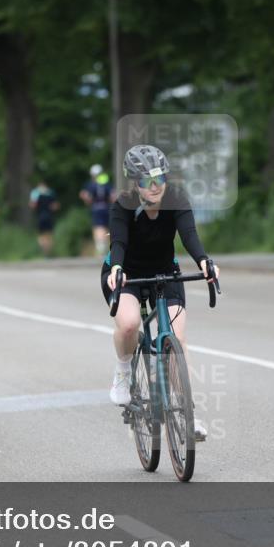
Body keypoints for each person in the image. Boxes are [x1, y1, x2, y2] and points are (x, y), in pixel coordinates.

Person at [101, 145, 220, 442]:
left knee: (177, 340)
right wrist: (117, 267)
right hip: (125, 273)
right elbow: (119, 243)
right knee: (129, 324)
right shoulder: (123, 205)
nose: (155, 186)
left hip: (164, 270)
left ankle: (186, 414)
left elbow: (189, 234)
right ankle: (123, 373)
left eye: (160, 178)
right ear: (134, 183)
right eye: (146, 181)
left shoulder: (176, 198)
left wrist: (204, 261)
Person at [81, 164, 114, 256]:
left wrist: (86, 199)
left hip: (96, 208)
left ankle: (100, 247)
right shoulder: (106, 182)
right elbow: (112, 196)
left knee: (98, 228)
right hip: (106, 208)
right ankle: (106, 248)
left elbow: (87, 197)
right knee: (106, 228)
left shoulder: (91, 184)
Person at [29, 181, 60, 257]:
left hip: (40, 216)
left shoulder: (36, 194)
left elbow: (32, 205)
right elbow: (55, 206)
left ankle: (43, 249)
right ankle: (48, 252)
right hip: (49, 216)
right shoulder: (50, 194)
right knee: (49, 235)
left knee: (41, 235)